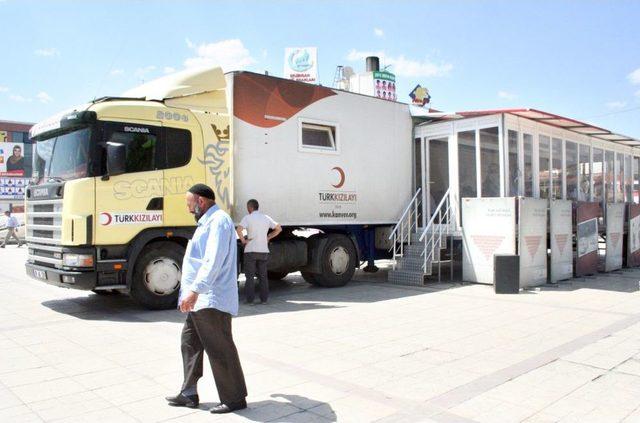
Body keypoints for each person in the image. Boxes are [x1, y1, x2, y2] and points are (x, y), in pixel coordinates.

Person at [165, 184, 248, 414]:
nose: (189, 209)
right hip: (201, 299)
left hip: (211, 297)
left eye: (190, 204)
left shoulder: (218, 221)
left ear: (201, 201)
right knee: (189, 342)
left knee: (219, 347)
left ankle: (234, 398)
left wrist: (196, 290)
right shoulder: (207, 223)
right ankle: (188, 392)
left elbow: (212, 260)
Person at [236, 199, 282, 305]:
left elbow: (239, 229)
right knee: (263, 276)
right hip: (263, 251)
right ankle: (264, 300)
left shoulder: (248, 218)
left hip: (251, 251)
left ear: (250, 208)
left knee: (250, 277)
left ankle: (250, 300)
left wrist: (243, 240)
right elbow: (279, 228)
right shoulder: (266, 217)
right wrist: (269, 236)